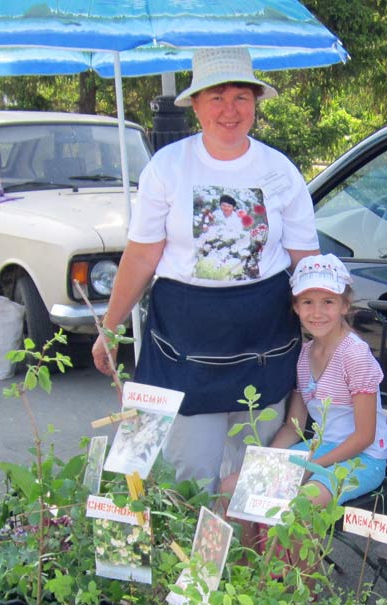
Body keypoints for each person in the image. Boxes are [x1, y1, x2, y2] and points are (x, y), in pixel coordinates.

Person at [91, 47, 319, 492]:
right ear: (195, 105)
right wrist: (110, 326)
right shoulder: (168, 167)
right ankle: (186, 559)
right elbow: (141, 256)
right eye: (216, 97)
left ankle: (245, 560)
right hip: (183, 348)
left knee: (252, 480)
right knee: (187, 477)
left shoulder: (280, 171)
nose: (229, 110)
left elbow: (305, 264)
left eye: (241, 97)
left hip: (265, 347)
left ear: (256, 103)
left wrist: (329, 336)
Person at [262, 254, 387, 508]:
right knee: (237, 485)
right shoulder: (304, 355)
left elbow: (364, 436)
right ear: (296, 307)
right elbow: (293, 426)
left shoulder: (354, 355)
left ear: (345, 305)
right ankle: (256, 549)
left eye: (328, 301)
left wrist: (308, 468)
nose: (317, 313)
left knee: (301, 502)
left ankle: (294, 549)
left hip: (363, 458)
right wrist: (267, 459)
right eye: (308, 302)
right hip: (323, 449)